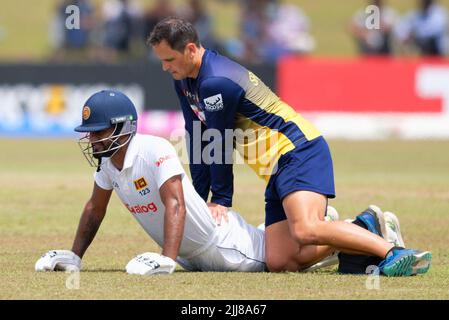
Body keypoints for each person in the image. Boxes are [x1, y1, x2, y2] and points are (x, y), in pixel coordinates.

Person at [147, 17, 432, 276]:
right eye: (161, 61)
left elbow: (219, 142)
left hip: (296, 150)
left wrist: (221, 199)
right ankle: (361, 227)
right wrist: (197, 199)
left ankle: (392, 251)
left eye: (169, 59)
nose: (165, 67)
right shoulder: (184, 80)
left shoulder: (215, 81)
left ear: (192, 49)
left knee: (306, 230)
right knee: (280, 261)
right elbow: (197, 136)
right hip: (276, 168)